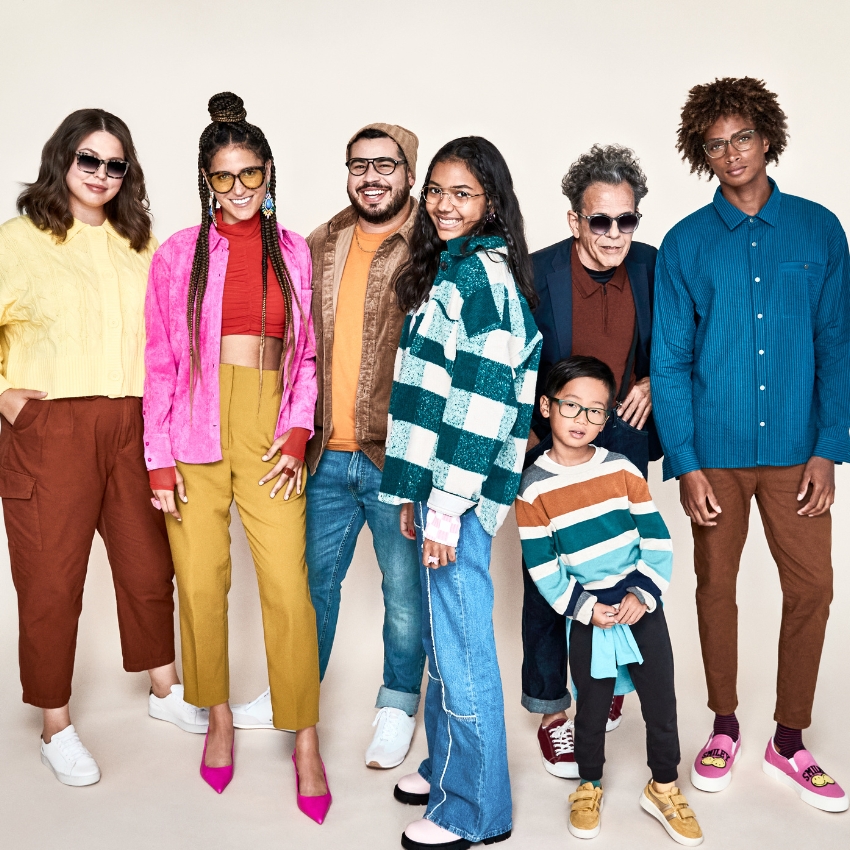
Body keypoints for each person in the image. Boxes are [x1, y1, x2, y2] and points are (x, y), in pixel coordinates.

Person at [652, 76, 850, 813]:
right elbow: (669, 361)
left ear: (767, 138)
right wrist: (687, 463)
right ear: (701, 152)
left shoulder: (820, 230)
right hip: (716, 458)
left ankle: (789, 739)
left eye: (742, 137)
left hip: (800, 454)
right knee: (716, 589)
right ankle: (726, 724)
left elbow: (838, 343)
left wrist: (830, 447)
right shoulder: (685, 244)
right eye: (715, 143)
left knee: (814, 588)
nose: (731, 153)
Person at [0, 109, 207, 788]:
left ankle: (164, 688)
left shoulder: (139, 243)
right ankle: (55, 726)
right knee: (52, 580)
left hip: (136, 424)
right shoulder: (18, 240)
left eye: (115, 165)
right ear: (62, 159)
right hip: (51, 427)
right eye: (88, 159)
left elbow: (172, 335)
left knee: (150, 566)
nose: (100, 175)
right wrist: (8, 398)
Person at [144, 92, 330, 822]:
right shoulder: (176, 255)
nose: (240, 190)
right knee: (199, 582)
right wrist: (159, 459)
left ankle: (304, 737)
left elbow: (306, 354)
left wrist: (295, 430)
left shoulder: (292, 252)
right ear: (205, 180)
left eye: (251, 174)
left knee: (288, 586)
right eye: (224, 178)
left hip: (267, 427)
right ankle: (216, 716)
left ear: (269, 172)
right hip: (193, 430)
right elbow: (160, 362)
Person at [232, 124, 425, 771]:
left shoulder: (432, 248)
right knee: (311, 586)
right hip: (323, 456)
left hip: (394, 457)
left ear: (408, 171)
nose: (372, 177)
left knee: (403, 594)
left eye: (385, 165)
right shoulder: (321, 242)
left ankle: (397, 705)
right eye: (359, 165)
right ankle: (294, 691)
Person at [380, 137, 542, 849]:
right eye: (437, 190)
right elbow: (431, 395)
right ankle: (446, 764)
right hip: (437, 486)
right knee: (448, 640)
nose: (445, 205)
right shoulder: (455, 270)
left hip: (462, 496)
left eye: (463, 194)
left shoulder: (481, 280)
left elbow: (480, 405)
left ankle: (475, 809)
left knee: (464, 643)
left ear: (491, 205)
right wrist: (419, 494)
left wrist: (444, 506)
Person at [516, 355, 703, 846]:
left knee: (661, 702)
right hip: (590, 614)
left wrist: (643, 594)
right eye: (572, 406)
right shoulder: (533, 488)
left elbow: (656, 539)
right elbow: (543, 567)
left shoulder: (620, 468)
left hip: (639, 606)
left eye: (597, 411)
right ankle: (589, 783)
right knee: (592, 706)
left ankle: (663, 786)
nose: (583, 420)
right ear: (545, 406)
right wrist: (584, 608)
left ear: (607, 418)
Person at [522, 145, 662, 779]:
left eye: (626, 220)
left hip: (625, 437)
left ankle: (601, 694)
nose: (614, 234)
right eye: (600, 220)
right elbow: (513, 360)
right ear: (575, 219)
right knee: (549, 578)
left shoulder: (656, 268)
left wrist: (655, 380)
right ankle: (554, 710)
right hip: (552, 441)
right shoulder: (536, 272)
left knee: (620, 566)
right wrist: (530, 437)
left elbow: (690, 337)